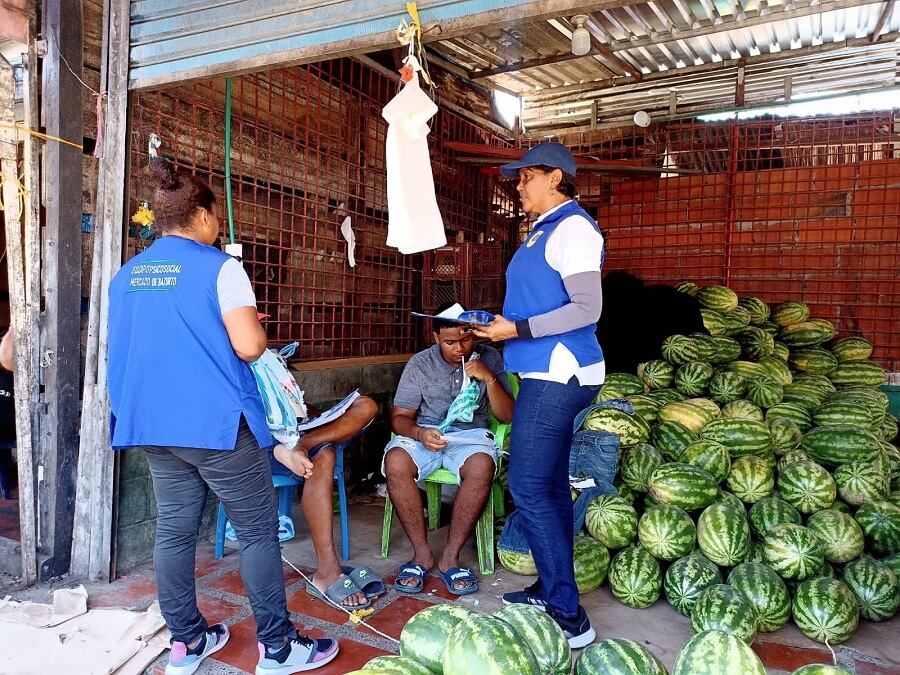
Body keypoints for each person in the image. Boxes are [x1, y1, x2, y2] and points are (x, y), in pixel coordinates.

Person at [108, 158, 338, 675]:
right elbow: (251, 345)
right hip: (216, 426)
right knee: (258, 531)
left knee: (173, 531)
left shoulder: (125, 276)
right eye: (219, 218)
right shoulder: (220, 268)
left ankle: (188, 643)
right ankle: (278, 648)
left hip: (150, 424)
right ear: (206, 216)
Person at [473, 142, 605, 648]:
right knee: (546, 487)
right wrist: (499, 327)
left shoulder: (573, 228)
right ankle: (553, 589)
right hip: (541, 371)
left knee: (527, 486)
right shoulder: (543, 231)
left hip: (561, 372)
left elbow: (586, 308)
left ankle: (569, 618)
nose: (519, 185)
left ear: (556, 178)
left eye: (527, 176)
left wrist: (517, 330)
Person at [383, 311, 513, 595]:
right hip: (425, 433)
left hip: (470, 436)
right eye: (450, 343)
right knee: (395, 462)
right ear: (436, 338)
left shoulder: (489, 357)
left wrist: (489, 379)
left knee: (481, 467)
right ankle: (421, 554)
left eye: (466, 339)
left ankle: (450, 557)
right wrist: (419, 433)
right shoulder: (420, 364)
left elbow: (506, 416)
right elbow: (400, 417)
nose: (460, 349)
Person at [268, 395, 381, 611]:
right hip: (267, 443)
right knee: (325, 454)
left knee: (367, 404)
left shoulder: (273, 364)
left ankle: (306, 443)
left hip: (300, 430)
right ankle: (326, 571)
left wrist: (310, 415)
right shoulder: (238, 366)